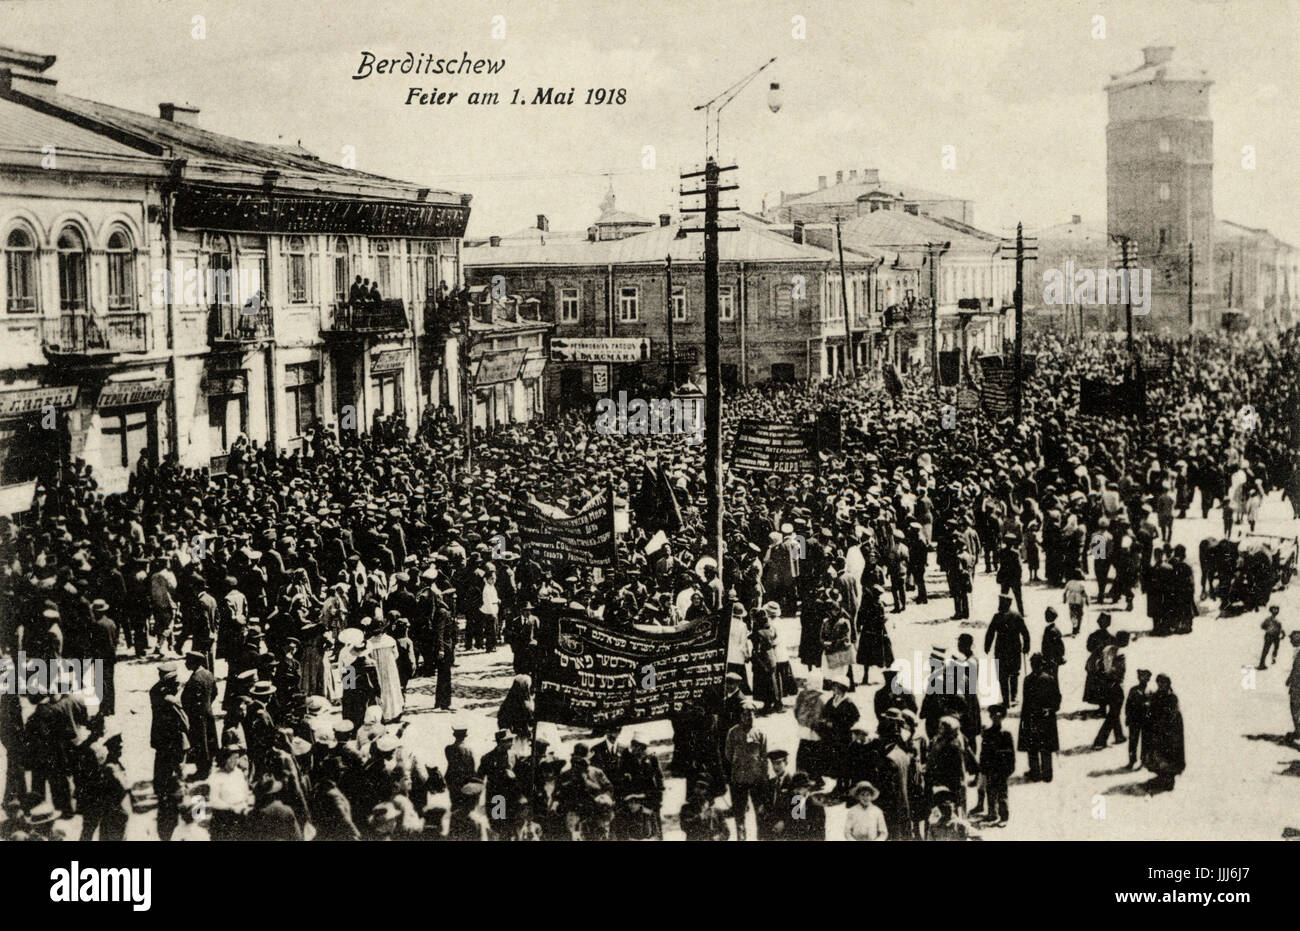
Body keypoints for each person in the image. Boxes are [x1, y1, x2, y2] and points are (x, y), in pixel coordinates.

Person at [723, 703, 767, 841]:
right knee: (739, 816)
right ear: (740, 716)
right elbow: (728, 755)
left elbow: (764, 757)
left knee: (760, 814)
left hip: (756, 780)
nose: (748, 717)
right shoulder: (733, 732)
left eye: (751, 714)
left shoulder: (760, 733)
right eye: (745, 714)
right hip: (738, 780)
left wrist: (764, 778)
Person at [1018, 654, 1060, 782]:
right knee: (1046, 745)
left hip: (1032, 717)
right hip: (1047, 718)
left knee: (1032, 746)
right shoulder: (1050, 679)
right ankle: (1047, 773)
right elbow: (1057, 698)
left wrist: (1024, 719)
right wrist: (1052, 709)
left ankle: (1035, 772)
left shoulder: (1027, 680)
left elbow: (1026, 702)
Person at [984, 594, 1030, 706]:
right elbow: (1025, 633)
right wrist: (1026, 646)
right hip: (1014, 650)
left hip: (1001, 650)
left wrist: (987, 646)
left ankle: (1006, 700)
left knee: (1003, 675)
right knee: (1014, 673)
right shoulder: (1017, 616)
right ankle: (1013, 698)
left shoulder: (997, 617)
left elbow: (990, 633)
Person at [1141, 674, 1185, 792]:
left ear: (1168, 684)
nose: (1160, 685)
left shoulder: (1172, 698)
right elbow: (1152, 709)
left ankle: (1169, 781)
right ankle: (1161, 777)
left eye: (1163, 683)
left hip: (1169, 733)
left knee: (1168, 756)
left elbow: (1171, 715)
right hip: (1158, 731)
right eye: (1159, 683)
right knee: (1157, 755)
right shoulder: (1157, 695)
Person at [978, 704, 1015, 826]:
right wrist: (983, 767)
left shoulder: (1006, 734)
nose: (996, 719)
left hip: (1002, 769)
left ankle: (1004, 817)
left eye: (998, 717)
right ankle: (992, 813)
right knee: (991, 791)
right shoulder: (987, 733)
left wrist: (1010, 768)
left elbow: (1011, 754)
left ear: (1002, 718)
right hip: (990, 768)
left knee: (1002, 793)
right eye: (994, 717)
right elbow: (983, 752)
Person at [1125, 669, 1152, 769]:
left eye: (1146, 677)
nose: (1144, 679)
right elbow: (1128, 705)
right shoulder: (1133, 690)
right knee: (1133, 741)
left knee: (1146, 741)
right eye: (1141, 676)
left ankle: (1144, 760)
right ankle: (1132, 761)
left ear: (1149, 679)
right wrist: (1127, 717)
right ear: (1138, 678)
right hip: (1134, 719)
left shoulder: (1150, 691)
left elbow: (1153, 707)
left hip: (1146, 720)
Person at [1259, 606, 1284, 670]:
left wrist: (1283, 634)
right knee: (1266, 650)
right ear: (1271, 610)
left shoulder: (1279, 620)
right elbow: (1262, 626)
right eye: (1274, 609)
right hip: (1269, 635)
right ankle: (1262, 664)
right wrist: (1269, 629)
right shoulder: (1268, 619)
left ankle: (1273, 660)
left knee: (1276, 648)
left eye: (1276, 609)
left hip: (1276, 636)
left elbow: (1280, 628)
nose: (1275, 610)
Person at [1286, 631, 1300, 742]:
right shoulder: (1297, 651)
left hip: (1298, 687)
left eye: (1292, 639)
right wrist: (1289, 678)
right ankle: (1298, 731)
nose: (1290, 641)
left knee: (1295, 708)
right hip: (1296, 684)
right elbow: (1295, 668)